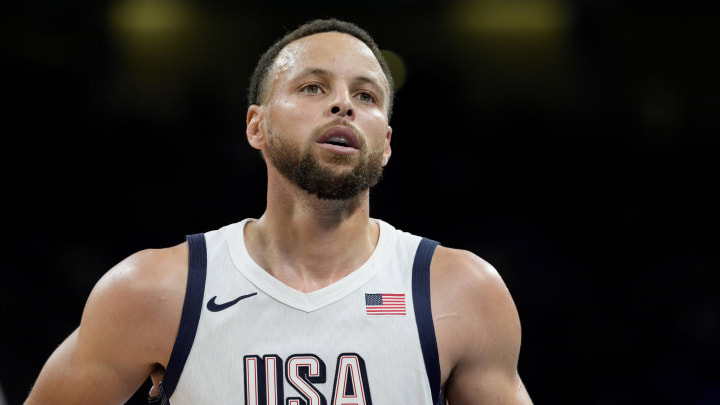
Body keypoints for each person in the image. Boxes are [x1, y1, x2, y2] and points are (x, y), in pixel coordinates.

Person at [25, 18, 532, 404]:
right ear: (256, 127)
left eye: (366, 95)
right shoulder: (154, 289)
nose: (343, 106)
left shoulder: (463, 291)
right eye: (313, 87)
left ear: (386, 145)